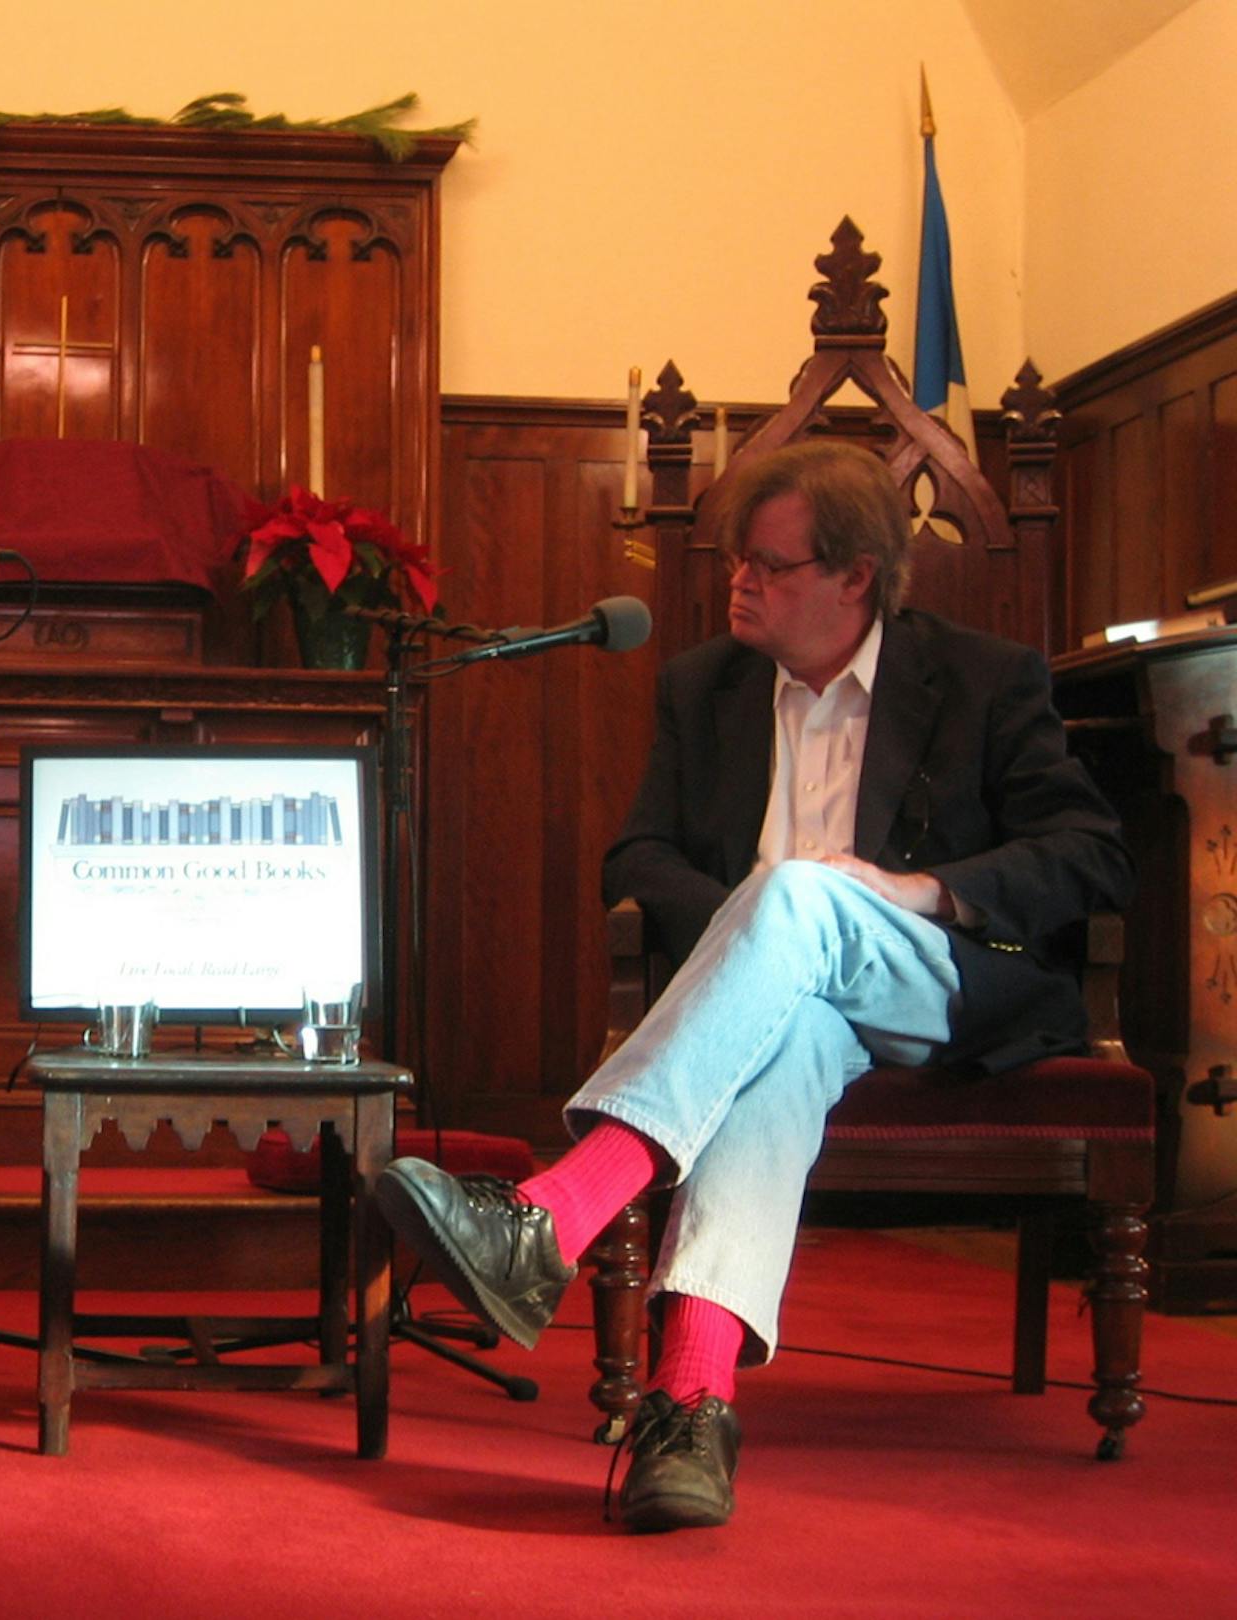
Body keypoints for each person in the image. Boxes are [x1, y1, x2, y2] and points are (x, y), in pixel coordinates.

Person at [376, 439, 1132, 1532]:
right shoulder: (707, 685)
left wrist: (911, 889)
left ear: (855, 576)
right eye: (738, 560)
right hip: (797, 1011)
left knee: (801, 896)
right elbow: (636, 860)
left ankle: (560, 1211)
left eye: (769, 565)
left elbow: (1093, 855)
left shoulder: (980, 676)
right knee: (786, 1028)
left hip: (944, 981)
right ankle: (690, 1411)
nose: (740, 581)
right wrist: (759, 944)